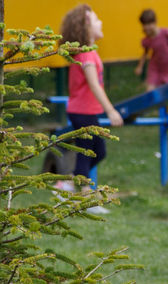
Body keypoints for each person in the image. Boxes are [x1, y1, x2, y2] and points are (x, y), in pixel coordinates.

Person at [58, 3, 123, 212]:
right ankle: (87, 201)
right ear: (86, 26)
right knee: (86, 152)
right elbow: (94, 85)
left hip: (86, 111)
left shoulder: (89, 53)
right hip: (82, 111)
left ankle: (67, 184)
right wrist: (110, 111)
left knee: (99, 152)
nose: (100, 22)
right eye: (96, 19)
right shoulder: (86, 55)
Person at [133, 9, 168, 91]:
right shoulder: (146, 40)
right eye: (144, 24)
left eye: (149, 24)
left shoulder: (165, 32)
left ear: (155, 22)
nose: (146, 27)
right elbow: (145, 53)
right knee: (150, 90)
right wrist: (140, 67)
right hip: (156, 66)